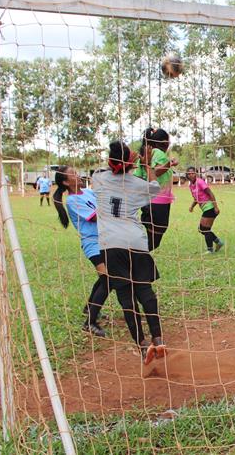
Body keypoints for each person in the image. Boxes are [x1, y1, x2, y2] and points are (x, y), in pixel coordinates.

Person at [95, 141, 165, 365]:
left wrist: (127, 162)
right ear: (131, 161)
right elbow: (156, 188)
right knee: (145, 290)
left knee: (126, 297)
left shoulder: (98, 178)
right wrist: (146, 165)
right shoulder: (137, 183)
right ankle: (159, 338)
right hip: (135, 242)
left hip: (111, 245)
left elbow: (108, 170)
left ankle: (142, 345)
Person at [52, 166, 109, 337]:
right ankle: (89, 323)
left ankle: (89, 307)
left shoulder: (87, 192)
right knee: (108, 279)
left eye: (77, 172)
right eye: (73, 174)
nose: (78, 175)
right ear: (65, 182)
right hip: (92, 243)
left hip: (105, 240)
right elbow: (95, 216)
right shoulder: (72, 201)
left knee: (106, 277)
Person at [134, 127, 178, 251]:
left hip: (147, 201)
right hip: (158, 201)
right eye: (168, 140)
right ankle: (132, 258)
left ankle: (134, 258)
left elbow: (138, 175)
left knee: (150, 239)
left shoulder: (146, 153)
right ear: (164, 142)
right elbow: (155, 172)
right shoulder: (158, 154)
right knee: (153, 242)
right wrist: (169, 164)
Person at [186, 167, 225, 253]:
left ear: (196, 173)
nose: (191, 175)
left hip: (210, 207)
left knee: (204, 229)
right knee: (202, 229)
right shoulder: (191, 185)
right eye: (189, 173)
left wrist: (216, 206)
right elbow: (196, 198)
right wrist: (192, 206)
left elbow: (210, 193)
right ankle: (218, 242)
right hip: (204, 208)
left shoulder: (200, 182)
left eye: (192, 173)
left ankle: (210, 249)